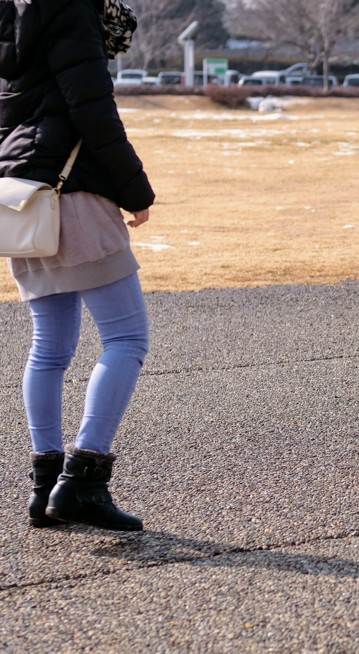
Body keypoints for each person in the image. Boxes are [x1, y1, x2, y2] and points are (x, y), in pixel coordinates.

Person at [1, 0, 155, 531]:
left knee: (49, 346)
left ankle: (44, 485)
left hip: (22, 199)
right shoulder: (70, 7)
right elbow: (93, 108)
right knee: (127, 337)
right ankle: (84, 481)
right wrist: (135, 189)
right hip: (75, 192)